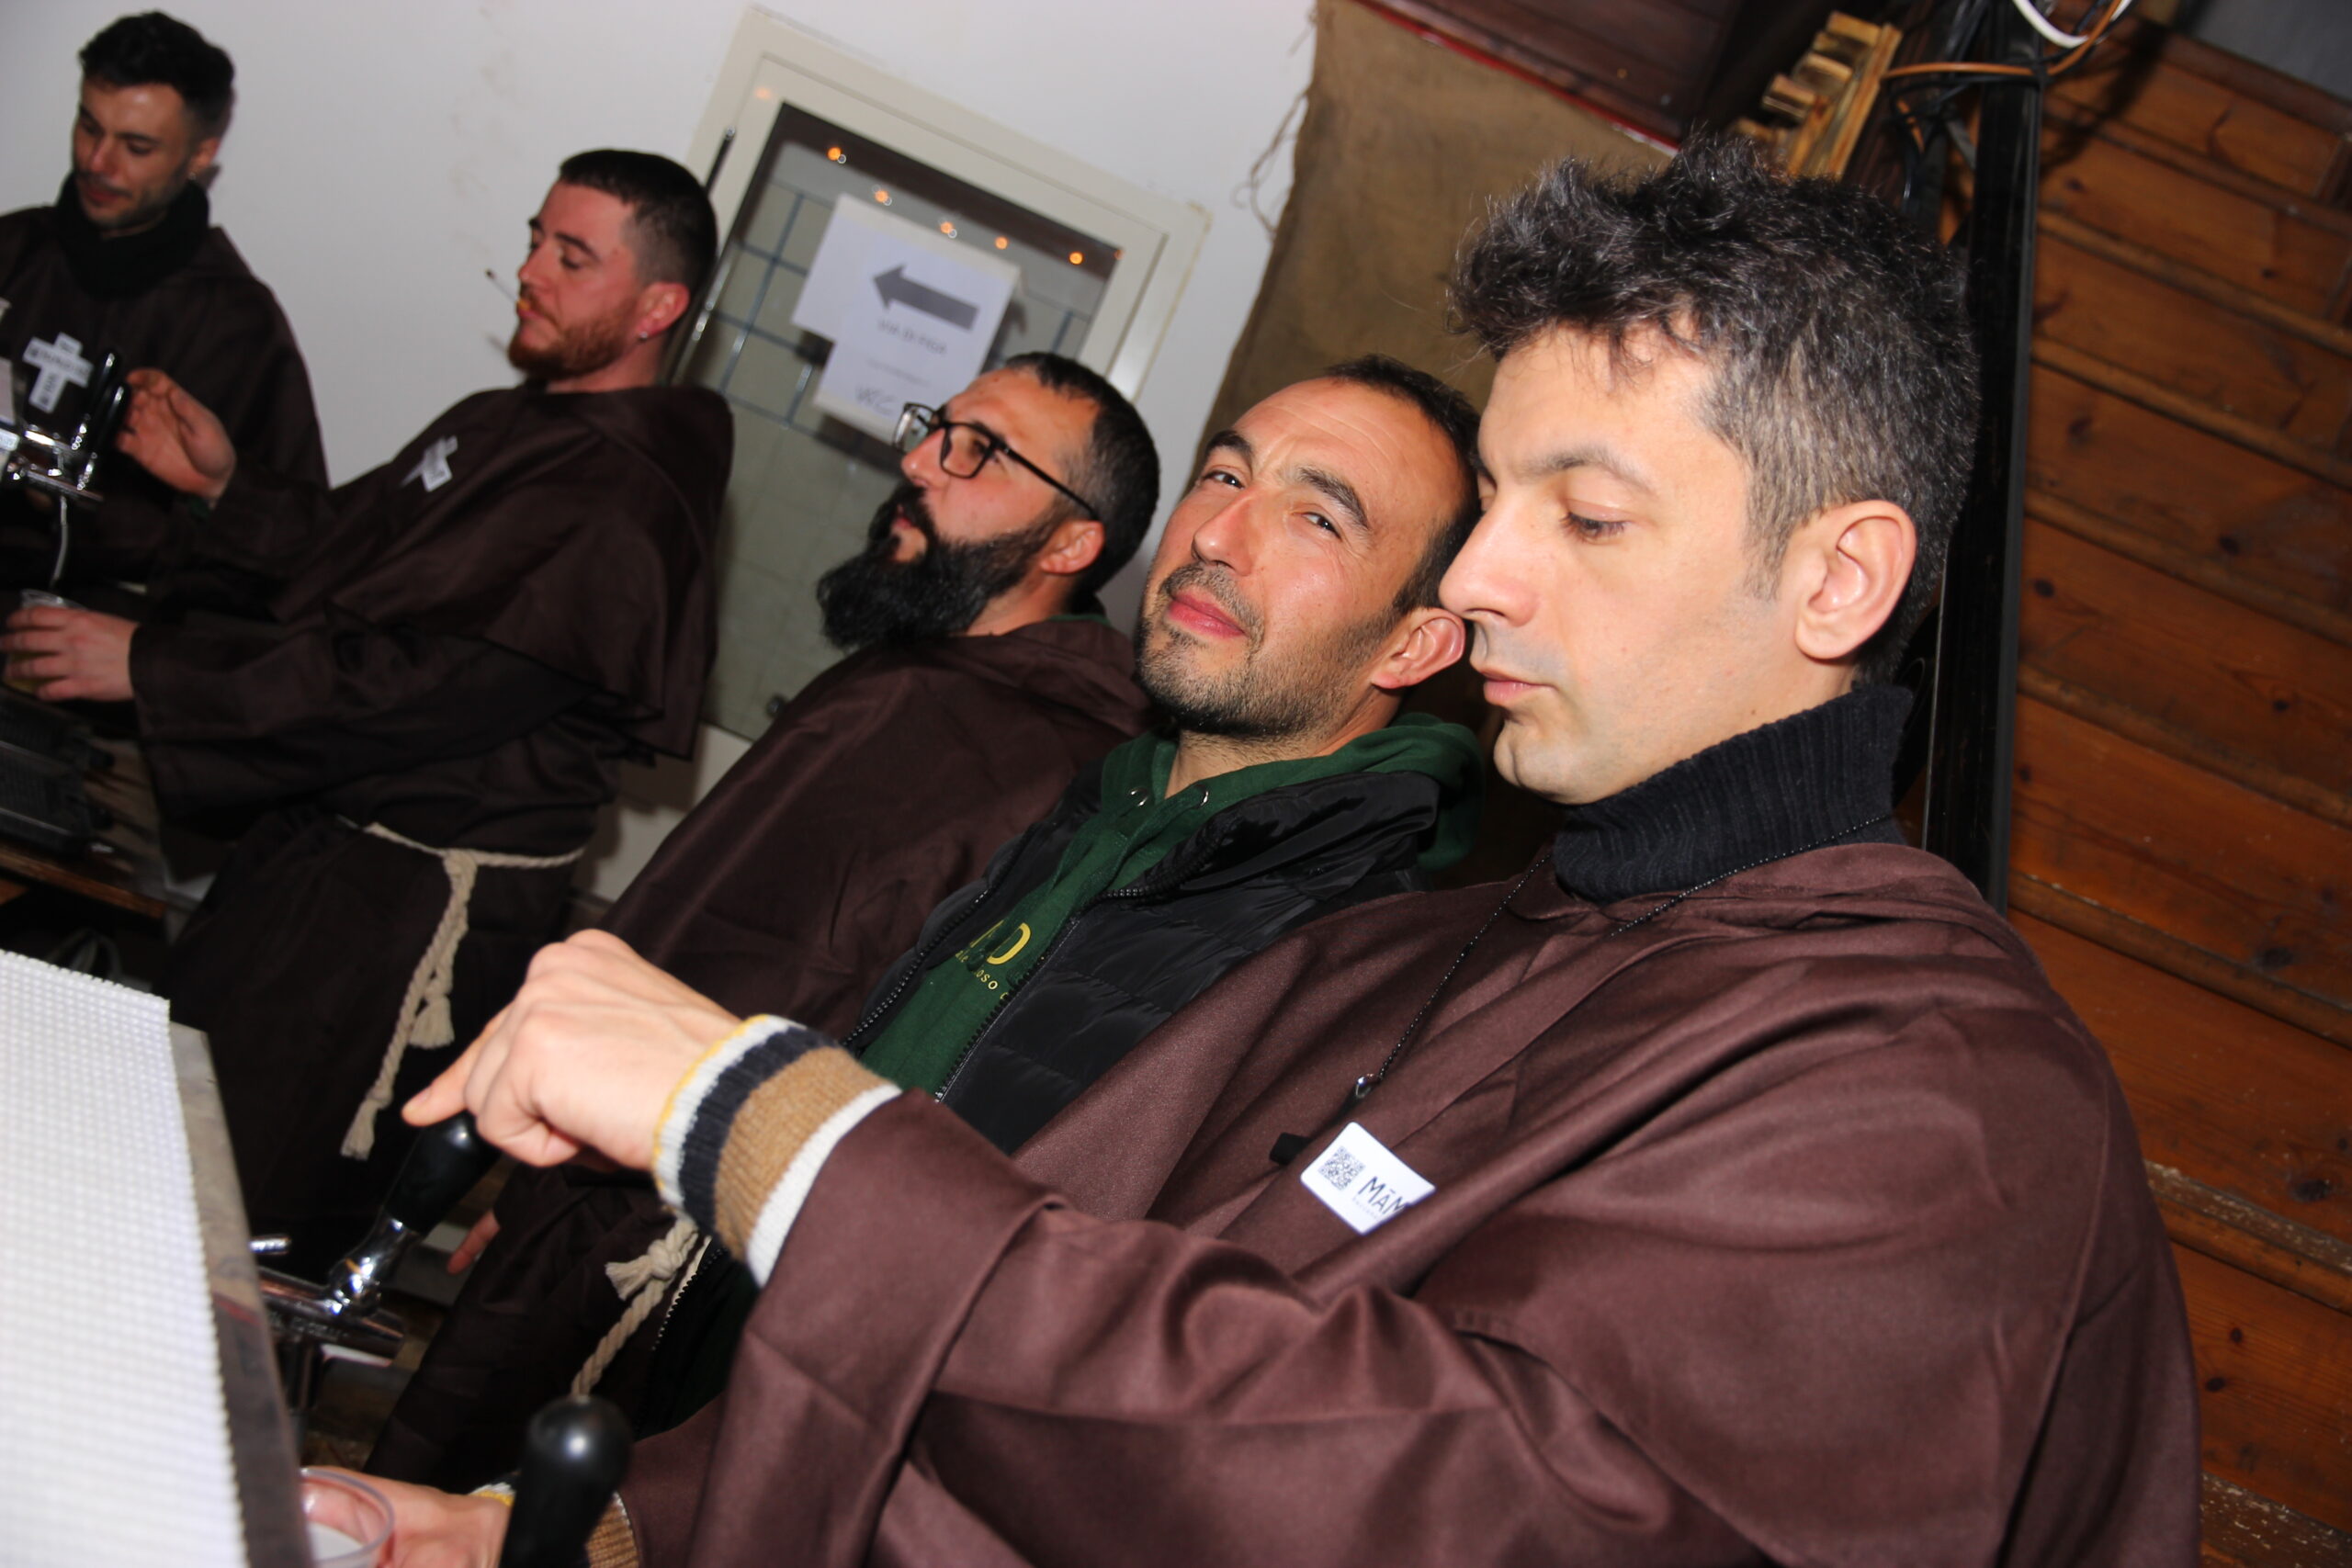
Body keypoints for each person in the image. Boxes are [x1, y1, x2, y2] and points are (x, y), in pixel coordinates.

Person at [374, 140, 2199, 1566]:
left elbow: (1464, 1512)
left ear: (1839, 578)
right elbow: (1044, 1397)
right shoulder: (1427, 951)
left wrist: (760, 1117)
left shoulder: (1942, 1101)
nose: (1479, 577)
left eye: (1585, 513)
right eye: (1494, 498)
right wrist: (594, 1531)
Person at [375, 355, 1489, 1489]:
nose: (1217, 535)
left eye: (1316, 518)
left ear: (1413, 643)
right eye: (1224, 476)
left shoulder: (1357, 975)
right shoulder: (1096, 811)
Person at [370, 349, 1163, 1483]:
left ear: (1071, 544)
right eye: (936, 427)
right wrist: (551, 1181)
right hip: (594, 1170)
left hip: (694, 1236)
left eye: (979, 452)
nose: (919, 463)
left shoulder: (1057, 766)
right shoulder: (922, 674)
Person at [3, 150, 730, 1273]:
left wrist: (154, 668)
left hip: (391, 937)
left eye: (571, 257)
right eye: (535, 239)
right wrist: (225, 486)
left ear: (657, 307)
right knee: (145, 1158)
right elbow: (355, 555)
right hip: (316, 873)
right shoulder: (508, 422)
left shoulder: (624, 506)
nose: (529, 272)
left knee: (226, 1228)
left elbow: (407, 689)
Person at [0, 10, 322, 598]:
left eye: (137, 146)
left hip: (108, 617)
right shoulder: (14, 248)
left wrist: (60, 500)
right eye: (89, 127)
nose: (97, 162)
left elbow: (286, 543)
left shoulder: (237, 326)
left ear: (199, 156)